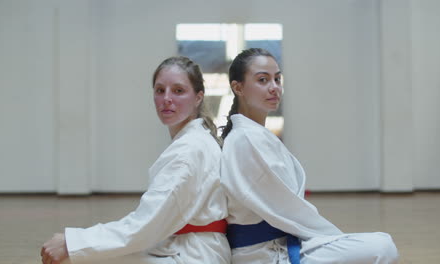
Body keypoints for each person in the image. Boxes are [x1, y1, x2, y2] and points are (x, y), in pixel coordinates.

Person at [41, 56, 231, 264]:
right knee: (91, 254)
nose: (166, 98)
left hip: (194, 254)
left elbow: (144, 226)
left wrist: (72, 242)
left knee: (77, 257)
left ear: (198, 98)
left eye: (178, 90)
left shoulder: (189, 150)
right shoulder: (197, 140)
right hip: (190, 246)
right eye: (160, 90)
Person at [220, 48, 399, 264]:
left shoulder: (251, 134)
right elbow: (291, 210)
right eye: (263, 80)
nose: (274, 87)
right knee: (382, 247)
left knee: (379, 243)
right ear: (237, 87)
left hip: (280, 243)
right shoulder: (246, 139)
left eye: (277, 79)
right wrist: (335, 238)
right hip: (265, 253)